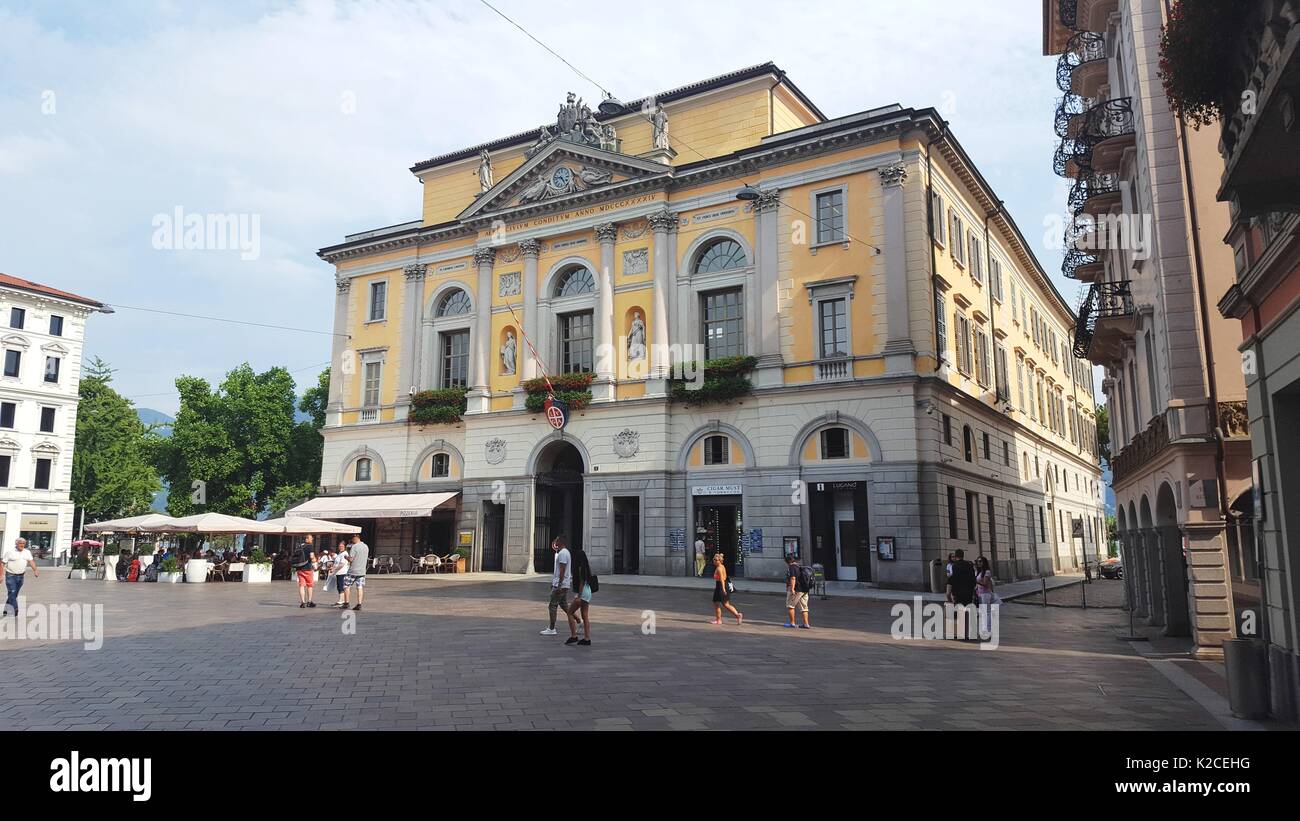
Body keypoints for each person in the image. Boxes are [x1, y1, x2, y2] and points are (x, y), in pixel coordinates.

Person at [563, 546, 594, 646]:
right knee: (585, 616)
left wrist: (579, 596)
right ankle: (587, 638)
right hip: (588, 591)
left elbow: (581, 581)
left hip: (583, 592)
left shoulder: (580, 567)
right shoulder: (586, 566)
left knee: (570, 612)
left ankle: (573, 636)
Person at [541, 536, 570, 636]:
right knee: (564, 605)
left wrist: (558, 585)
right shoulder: (565, 552)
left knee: (552, 606)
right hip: (563, 584)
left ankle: (552, 628)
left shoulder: (562, 554)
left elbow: (562, 570)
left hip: (561, 584)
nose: (555, 542)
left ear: (560, 542)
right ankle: (578, 621)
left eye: (557, 540)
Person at [945, 548, 977, 640]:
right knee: (968, 612)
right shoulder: (969, 565)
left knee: (958, 613)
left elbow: (948, 592)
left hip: (957, 594)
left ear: (956, 555)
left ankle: (959, 632)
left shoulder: (954, 567)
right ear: (963, 555)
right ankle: (968, 632)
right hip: (968, 593)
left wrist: (950, 599)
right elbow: (973, 580)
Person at [2, 537, 38, 617]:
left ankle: (6, 609)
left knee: (14, 594)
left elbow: (31, 561)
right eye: (20, 543)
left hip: (21, 576)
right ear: (16, 544)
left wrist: (35, 570)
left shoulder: (27, 552)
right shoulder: (10, 552)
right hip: (10, 576)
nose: (22, 545)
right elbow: (2, 563)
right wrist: (1, 575)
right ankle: (15, 609)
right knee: (12, 592)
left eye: (23, 544)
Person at [710, 552, 743, 625]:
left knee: (716, 604)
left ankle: (719, 620)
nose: (714, 561)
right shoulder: (722, 566)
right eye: (714, 559)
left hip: (720, 586)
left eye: (716, 560)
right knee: (726, 604)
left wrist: (723, 589)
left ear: (719, 560)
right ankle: (737, 615)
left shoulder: (719, 568)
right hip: (724, 585)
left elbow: (721, 579)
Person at [783, 554, 812, 629]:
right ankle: (806, 624)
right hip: (804, 589)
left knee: (790, 606)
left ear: (788, 561)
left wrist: (792, 589)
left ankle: (792, 623)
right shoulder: (799, 566)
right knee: (804, 608)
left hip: (797, 589)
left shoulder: (792, 567)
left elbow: (793, 578)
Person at [343, 534, 368, 611]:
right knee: (360, 587)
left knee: (346, 585)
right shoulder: (366, 546)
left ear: (355, 538)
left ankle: (346, 603)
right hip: (362, 571)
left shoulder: (354, 547)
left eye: (352, 539)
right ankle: (359, 604)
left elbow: (351, 559)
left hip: (353, 571)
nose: (351, 541)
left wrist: (346, 557)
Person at [294, 535, 318, 608]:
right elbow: (311, 557)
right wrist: (315, 560)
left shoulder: (300, 546)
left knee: (301, 585)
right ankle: (309, 602)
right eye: (311, 538)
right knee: (309, 585)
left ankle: (303, 602)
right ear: (307, 538)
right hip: (307, 568)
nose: (312, 540)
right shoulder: (310, 546)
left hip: (299, 568)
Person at [329, 542, 351, 608]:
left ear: (345, 547)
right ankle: (341, 600)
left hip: (342, 572)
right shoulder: (340, 553)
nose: (340, 547)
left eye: (342, 546)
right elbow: (336, 563)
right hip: (338, 573)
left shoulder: (345, 554)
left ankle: (341, 600)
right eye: (339, 546)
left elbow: (342, 564)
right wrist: (332, 567)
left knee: (341, 586)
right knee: (339, 586)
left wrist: (334, 569)